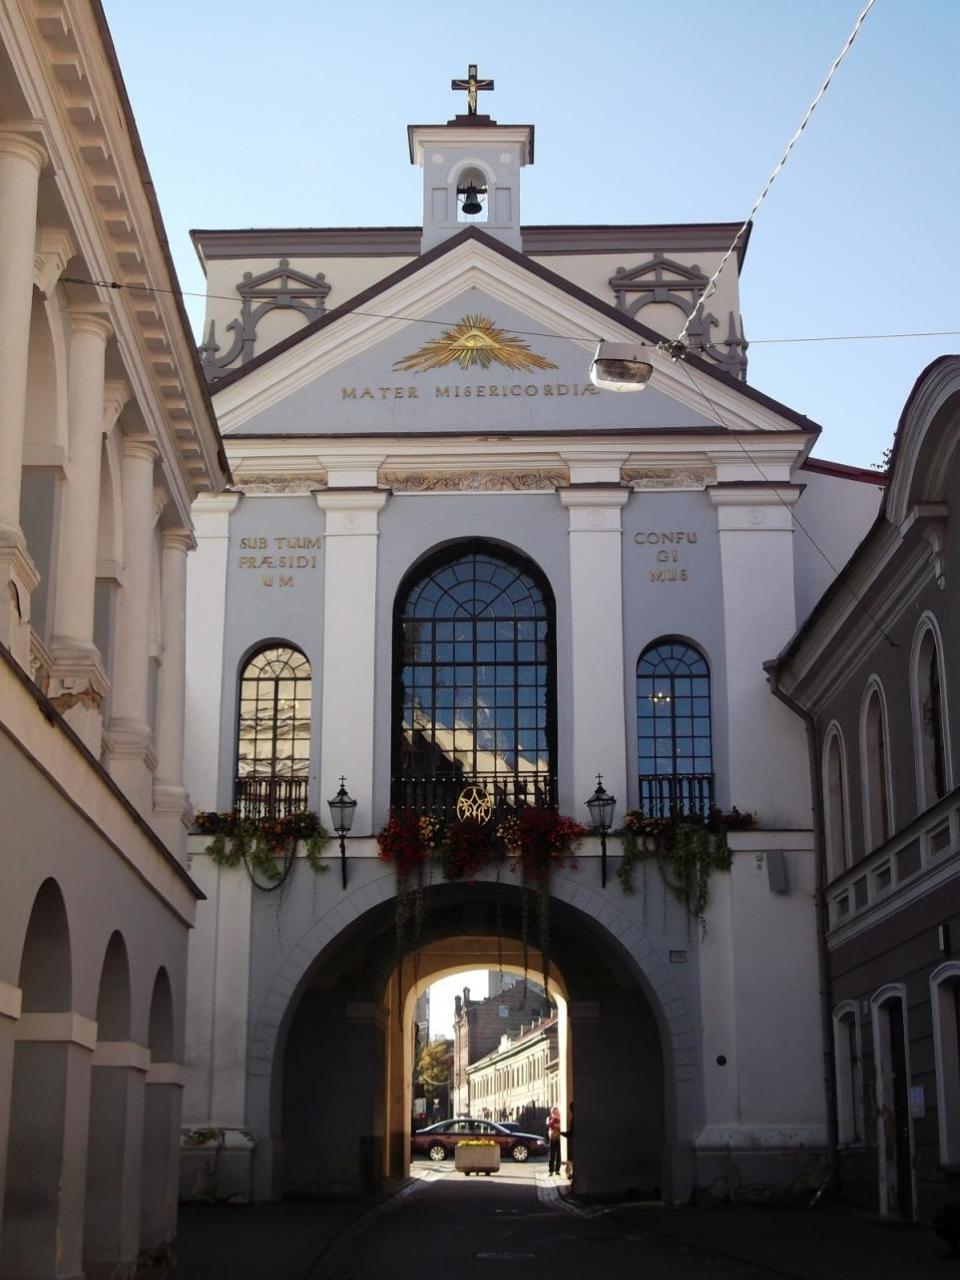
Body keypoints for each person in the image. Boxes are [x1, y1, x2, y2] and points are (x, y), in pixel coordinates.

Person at [547, 1105, 562, 1175]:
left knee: (559, 1155)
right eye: (554, 1111)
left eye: (556, 1111)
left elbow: (561, 1127)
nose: (555, 1113)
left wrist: (557, 1125)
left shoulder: (561, 1118)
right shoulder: (549, 1118)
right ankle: (551, 1170)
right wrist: (555, 1122)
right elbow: (549, 1124)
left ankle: (557, 1170)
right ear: (552, 1112)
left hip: (559, 1138)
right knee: (552, 1155)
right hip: (552, 1138)